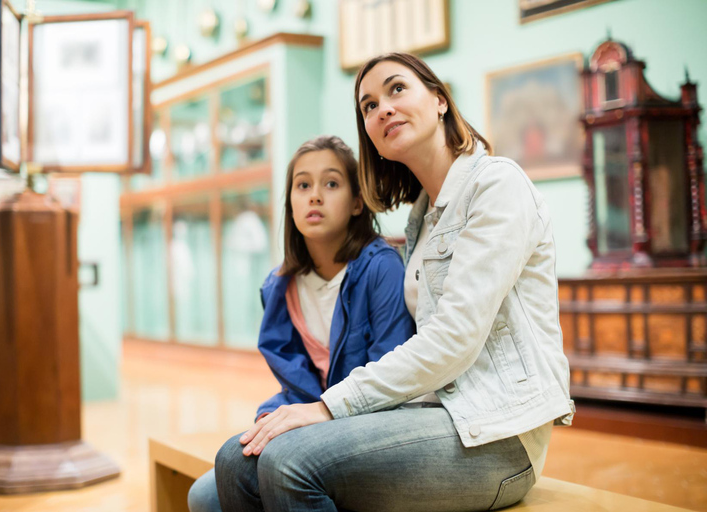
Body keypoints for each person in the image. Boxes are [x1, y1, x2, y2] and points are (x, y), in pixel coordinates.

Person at [214, 53, 575, 512]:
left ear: (440, 99)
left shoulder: (497, 185)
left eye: (396, 89)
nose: (381, 108)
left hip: (497, 435)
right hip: (429, 416)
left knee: (289, 463)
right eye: (367, 105)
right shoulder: (422, 218)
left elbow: (454, 341)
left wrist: (327, 408)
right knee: (234, 461)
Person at [187, 135, 415, 512]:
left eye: (331, 183)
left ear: (358, 202)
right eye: (303, 185)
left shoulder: (381, 268)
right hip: (317, 424)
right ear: (290, 203)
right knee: (220, 474)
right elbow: (297, 385)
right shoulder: (280, 287)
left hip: (371, 426)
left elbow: (390, 383)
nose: (314, 196)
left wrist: (311, 421)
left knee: (261, 472)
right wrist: (273, 416)